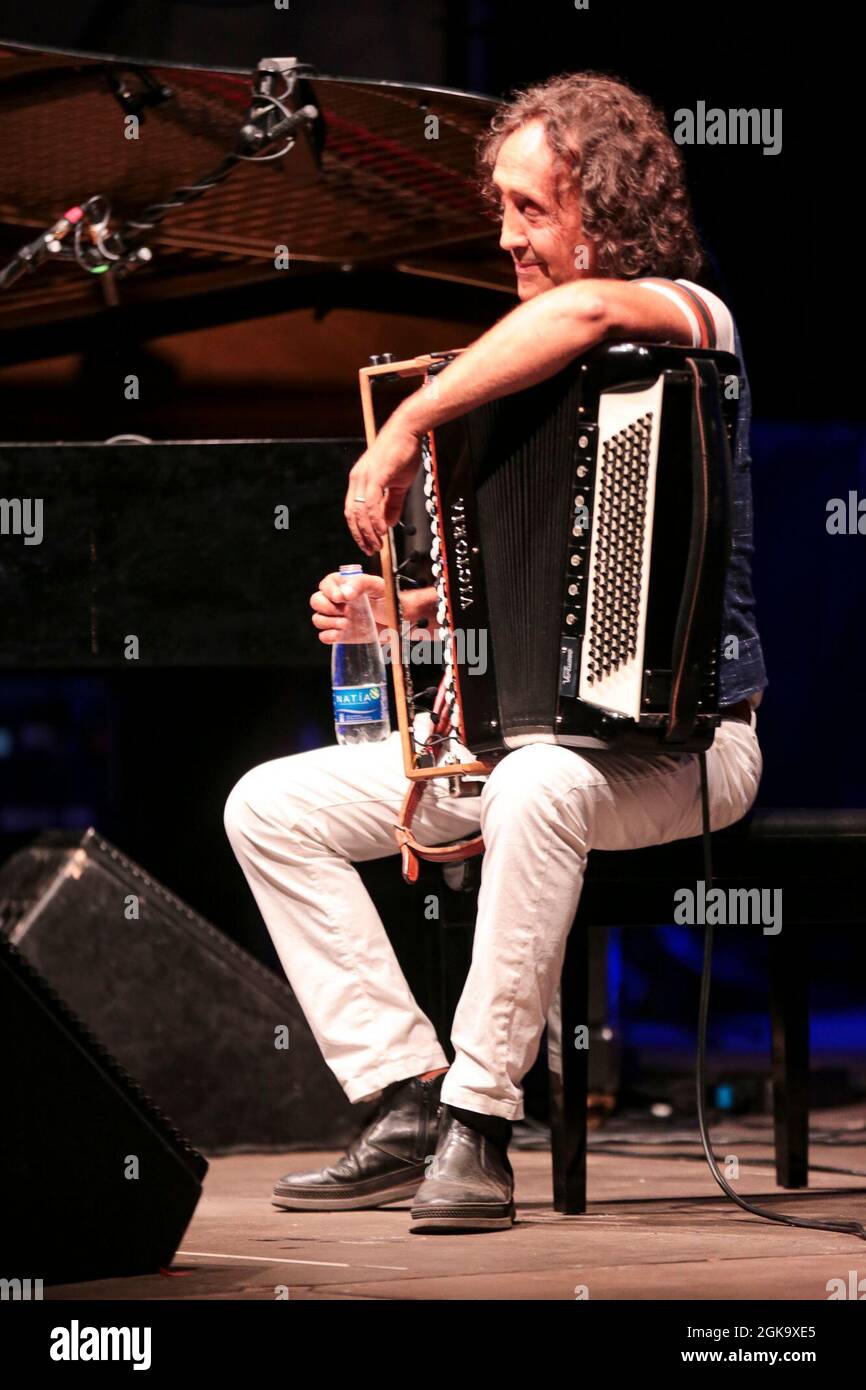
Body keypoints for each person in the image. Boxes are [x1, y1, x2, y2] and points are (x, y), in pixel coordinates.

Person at [224, 71, 767, 1233]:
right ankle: (402, 1090)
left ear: (606, 213)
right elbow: (496, 605)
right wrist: (400, 612)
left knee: (535, 781)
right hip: (514, 739)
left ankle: (480, 1119)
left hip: (689, 749)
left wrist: (410, 421)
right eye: (504, 209)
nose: (507, 235)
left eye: (532, 210)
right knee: (269, 806)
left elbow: (584, 315)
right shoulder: (509, 392)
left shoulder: (683, 318)